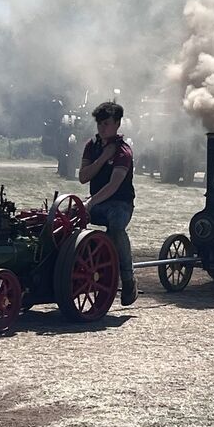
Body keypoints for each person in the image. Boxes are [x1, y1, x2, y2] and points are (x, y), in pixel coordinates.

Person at [79, 101, 138, 306]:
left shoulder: (124, 152)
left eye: (106, 124)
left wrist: (91, 202)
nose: (102, 128)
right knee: (67, 218)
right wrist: (103, 158)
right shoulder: (92, 146)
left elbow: (114, 186)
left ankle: (129, 280)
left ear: (117, 124)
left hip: (120, 204)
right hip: (96, 202)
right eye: (99, 124)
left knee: (116, 227)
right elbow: (83, 177)